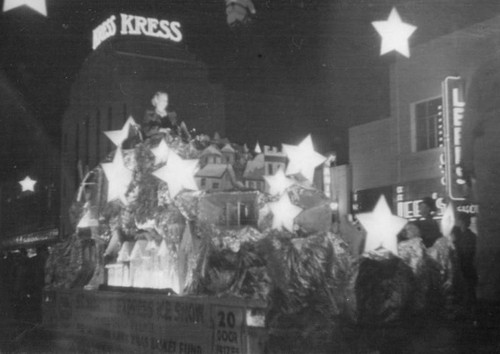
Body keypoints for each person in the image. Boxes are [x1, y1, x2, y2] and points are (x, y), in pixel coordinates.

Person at [462, 57, 500, 305]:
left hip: (490, 148)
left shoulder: (484, 69)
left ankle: (489, 295)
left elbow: (469, 121)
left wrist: (466, 164)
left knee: (491, 226)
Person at [451, 212, 477, 315]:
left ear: (461, 222)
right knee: (467, 290)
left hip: (465, 267)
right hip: (466, 267)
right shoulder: (467, 235)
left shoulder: (467, 236)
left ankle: (467, 311)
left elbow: (465, 252)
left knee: (467, 290)